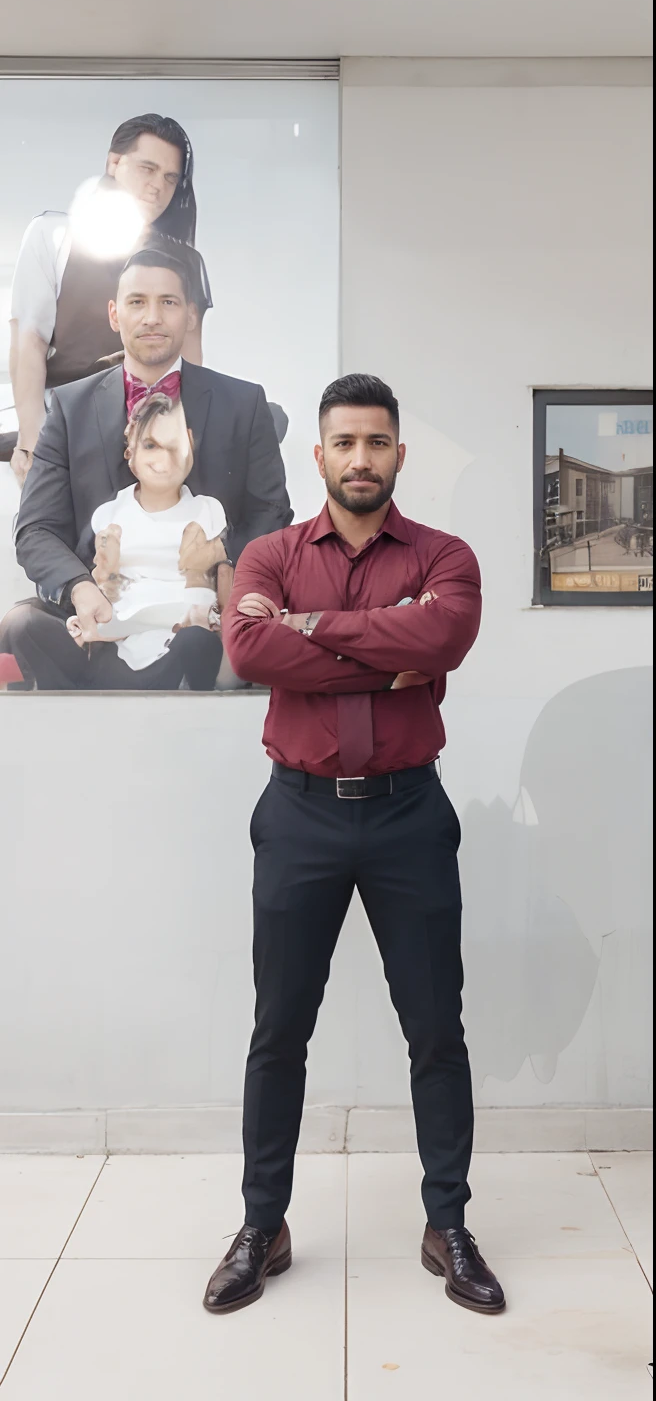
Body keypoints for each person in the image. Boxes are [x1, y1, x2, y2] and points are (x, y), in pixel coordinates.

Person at [205, 372, 505, 1319]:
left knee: (435, 1029)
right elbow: (249, 653)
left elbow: (447, 635)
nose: (361, 459)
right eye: (345, 443)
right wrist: (387, 654)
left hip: (410, 815)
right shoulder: (270, 554)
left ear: (398, 455)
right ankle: (264, 1225)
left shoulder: (448, 556)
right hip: (299, 816)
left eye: (377, 443)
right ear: (321, 453)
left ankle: (446, 1222)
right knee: (278, 1030)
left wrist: (311, 632)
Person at [0, 248, 292, 690]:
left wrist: (218, 561)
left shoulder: (244, 403)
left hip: (200, 608)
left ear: (191, 315)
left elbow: (273, 513)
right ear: (115, 315)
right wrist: (82, 589)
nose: (152, 316)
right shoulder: (69, 406)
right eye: (137, 302)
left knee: (231, 639)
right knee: (21, 624)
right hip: (100, 607)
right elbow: (35, 529)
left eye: (168, 302)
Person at [9, 113, 212, 486]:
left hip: (147, 424)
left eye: (170, 178)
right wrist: (33, 440)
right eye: (148, 169)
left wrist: (171, 447)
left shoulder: (186, 261)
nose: (157, 187)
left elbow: (190, 366)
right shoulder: (52, 235)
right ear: (114, 162)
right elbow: (29, 342)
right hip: (61, 417)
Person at [61, 390, 229, 690]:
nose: (164, 460)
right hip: (121, 635)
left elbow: (222, 591)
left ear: (190, 446)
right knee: (31, 629)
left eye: (174, 446)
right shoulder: (110, 515)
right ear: (131, 452)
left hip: (191, 633)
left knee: (196, 643)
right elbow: (104, 589)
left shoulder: (209, 511)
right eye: (151, 446)